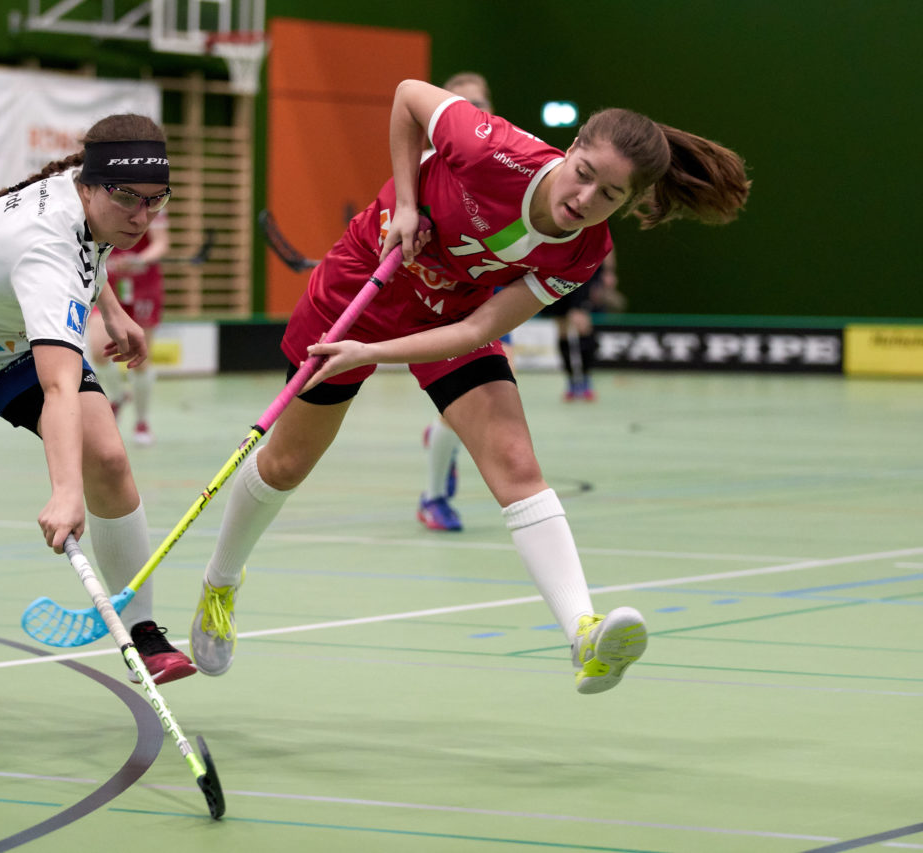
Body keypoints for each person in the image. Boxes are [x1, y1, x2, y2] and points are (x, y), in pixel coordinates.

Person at [189, 79, 749, 694]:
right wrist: (405, 205)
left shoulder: (583, 253)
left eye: (609, 194)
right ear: (569, 148)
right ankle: (221, 581)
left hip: (450, 315)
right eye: (583, 173)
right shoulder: (491, 148)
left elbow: (480, 328)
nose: (586, 198)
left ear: (626, 201)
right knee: (287, 464)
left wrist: (373, 353)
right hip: (363, 280)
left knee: (515, 463)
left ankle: (584, 634)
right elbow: (404, 95)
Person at [0, 113, 196, 700]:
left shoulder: (90, 189)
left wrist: (115, 311)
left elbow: (93, 248)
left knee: (110, 457)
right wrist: (65, 490)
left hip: (11, 337)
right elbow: (58, 391)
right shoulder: (44, 250)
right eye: (128, 199)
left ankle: (143, 632)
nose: (142, 218)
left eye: (156, 201)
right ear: (91, 186)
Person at [417, 71, 493, 533]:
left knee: (470, 406)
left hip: (485, 296)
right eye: (459, 104)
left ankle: (439, 446)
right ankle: (433, 498)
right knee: (463, 406)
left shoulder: (507, 166)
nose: (471, 113)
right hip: (434, 302)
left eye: (479, 104)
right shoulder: (424, 165)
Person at [86, 207, 170, 445]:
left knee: (140, 359)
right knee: (98, 351)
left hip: (144, 287)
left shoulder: (153, 203)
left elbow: (161, 243)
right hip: (108, 284)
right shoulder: (101, 198)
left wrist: (139, 259)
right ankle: (119, 396)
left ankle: (142, 422)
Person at [539, 248, 620, 401]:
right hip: (555, 270)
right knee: (562, 329)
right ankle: (571, 381)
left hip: (582, 270)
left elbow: (606, 243)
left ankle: (586, 379)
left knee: (582, 324)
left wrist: (608, 272)